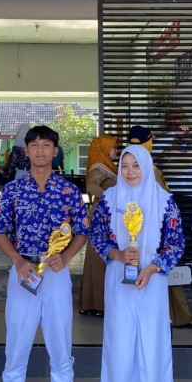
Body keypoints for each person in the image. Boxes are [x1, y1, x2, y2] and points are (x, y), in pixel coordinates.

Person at [0, 125, 89, 382]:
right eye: (34, 145)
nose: (40, 150)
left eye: (46, 145)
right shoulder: (12, 190)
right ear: (26, 151)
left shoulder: (69, 191)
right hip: (23, 273)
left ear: (55, 151)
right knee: (16, 352)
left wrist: (66, 257)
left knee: (61, 352)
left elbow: (82, 230)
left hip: (55, 273)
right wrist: (16, 260)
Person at [90, 144, 184, 382]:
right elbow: (96, 236)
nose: (130, 171)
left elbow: (176, 244)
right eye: (125, 166)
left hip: (152, 280)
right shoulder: (109, 200)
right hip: (118, 278)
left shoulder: (164, 201)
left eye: (136, 166)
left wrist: (153, 268)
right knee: (119, 345)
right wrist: (117, 254)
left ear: (147, 167)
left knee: (153, 345)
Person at [129, 124, 192, 328]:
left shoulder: (126, 169)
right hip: (156, 236)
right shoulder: (151, 171)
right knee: (167, 276)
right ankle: (179, 316)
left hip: (134, 239)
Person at [79, 134, 117, 315]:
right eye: (113, 147)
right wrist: (111, 198)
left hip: (108, 214)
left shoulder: (107, 165)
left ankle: (100, 302)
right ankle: (94, 303)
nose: (116, 151)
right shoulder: (99, 167)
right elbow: (91, 186)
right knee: (97, 257)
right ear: (104, 148)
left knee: (105, 256)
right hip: (101, 215)